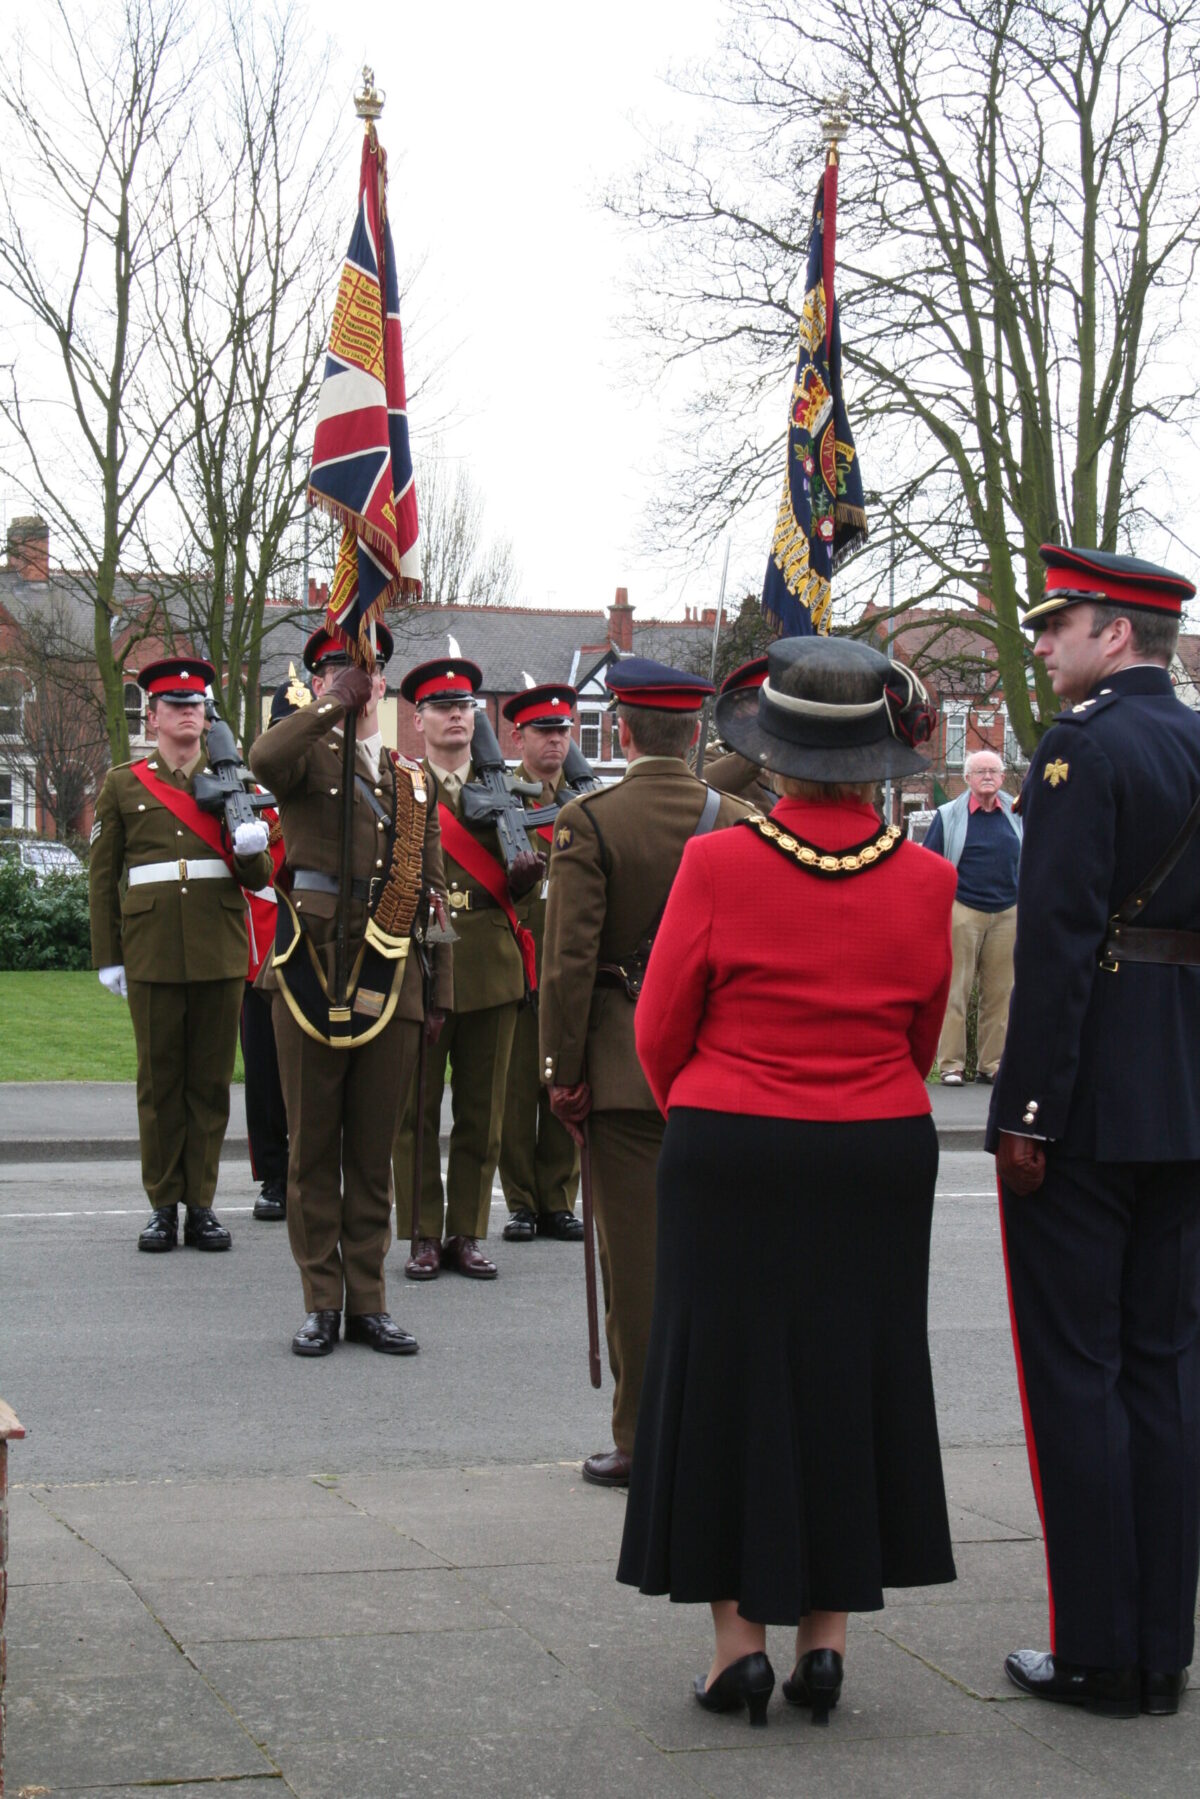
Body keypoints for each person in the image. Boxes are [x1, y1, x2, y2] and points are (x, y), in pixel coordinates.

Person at [616, 635, 956, 1727]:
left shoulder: (718, 863)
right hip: (878, 1147)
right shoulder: (930, 876)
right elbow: (921, 1032)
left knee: (724, 1382)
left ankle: (737, 1646)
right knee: (853, 1372)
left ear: (776, 750)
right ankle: (827, 1640)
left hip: (735, 1141)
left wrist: (713, 1114)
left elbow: (661, 1028)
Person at [989, 544, 1200, 1720]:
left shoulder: (1081, 748)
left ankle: (1098, 1651)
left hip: (1092, 1100)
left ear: (1116, 632)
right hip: (1183, 1090)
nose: (1046, 641)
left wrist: (1025, 1109)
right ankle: (1162, 1644)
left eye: (1060, 622)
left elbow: (1059, 946)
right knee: (1169, 1373)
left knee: (1080, 1372)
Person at [538, 658, 756, 1488]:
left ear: (621, 730)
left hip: (623, 1072)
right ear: (697, 731)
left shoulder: (590, 819)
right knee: (714, 1259)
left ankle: (641, 1436)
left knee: (635, 1269)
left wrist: (561, 1070)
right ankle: (716, 1426)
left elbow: (569, 963)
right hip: (717, 1067)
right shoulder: (736, 817)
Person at [249, 624, 451, 1357]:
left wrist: (441, 994)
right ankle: (321, 1300)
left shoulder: (411, 777)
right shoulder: (304, 756)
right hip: (310, 965)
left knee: (372, 1151)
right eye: (337, 667)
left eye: (363, 668)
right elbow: (263, 757)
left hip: (392, 970)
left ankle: (367, 1297)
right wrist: (330, 704)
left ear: (385, 684)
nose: (354, 678)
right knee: (311, 1149)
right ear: (317, 680)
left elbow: (431, 894)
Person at [89, 656, 274, 1253]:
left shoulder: (234, 780)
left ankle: (202, 1205)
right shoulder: (124, 783)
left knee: (210, 1084)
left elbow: (259, 875)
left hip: (218, 948)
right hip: (151, 949)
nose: (189, 712)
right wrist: (107, 955)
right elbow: (103, 877)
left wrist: (251, 848)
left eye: (196, 704)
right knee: (159, 1083)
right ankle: (162, 1206)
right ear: (154, 715)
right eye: (176, 704)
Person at [392, 657, 541, 1281]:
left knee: (484, 1111)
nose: (457, 715)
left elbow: (531, 897)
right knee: (417, 1112)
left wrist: (529, 880)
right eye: (443, 707)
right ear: (418, 719)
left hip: (489, 962)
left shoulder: (508, 792)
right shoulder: (399, 788)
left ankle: (466, 1231)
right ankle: (424, 1233)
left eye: (466, 706)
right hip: (424, 958)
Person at [497, 682, 584, 1245]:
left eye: (562, 731)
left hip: (568, 965)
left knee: (566, 1082)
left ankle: (558, 1198)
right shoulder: (501, 800)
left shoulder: (585, 804)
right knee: (512, 1091)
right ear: (517, 737)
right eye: (543, 732)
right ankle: (522, 1202)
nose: (555, 741)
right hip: (518, 957)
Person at [240, 673, 308, 1223]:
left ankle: (311, 1170)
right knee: (264, 1079)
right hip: (257, 954)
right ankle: (273, 1176)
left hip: (309, 955)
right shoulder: (250, 804)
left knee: (309, 1077)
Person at [924, 748, 1022, 1085]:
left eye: (994, 771)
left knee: (1001, 993)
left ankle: (991, 1065)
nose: (988, 777)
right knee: (955, 990)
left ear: (1003, 776)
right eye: (980, 772)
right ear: (967, 778)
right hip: (963, 908)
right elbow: (931, 865)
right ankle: (951, 1065)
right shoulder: (948, 814)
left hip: (1008, 910)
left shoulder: (1017, 811)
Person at [702, 658, 776, 810]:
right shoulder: (717, 754)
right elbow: (701, 786)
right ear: (739, 709)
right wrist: (763, 751)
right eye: (763, 701)